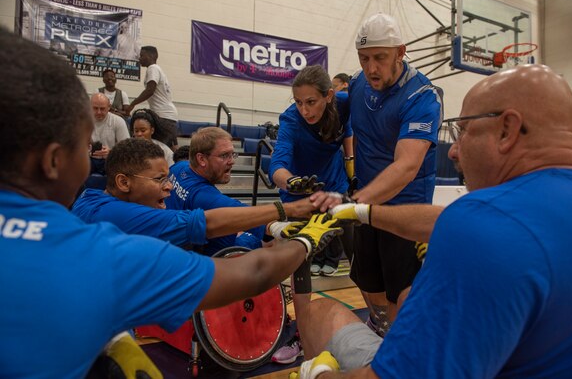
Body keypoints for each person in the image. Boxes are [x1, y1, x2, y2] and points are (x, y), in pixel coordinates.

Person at [0, 27, 343, 378]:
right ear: (54, 160)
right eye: (84, 146)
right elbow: (249, 267)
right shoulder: (104, 254)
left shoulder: (90, 200)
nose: (167, 187)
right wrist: (301, 234)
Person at [292, 64, 572, 378]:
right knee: (407, 297)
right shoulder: (541, 208)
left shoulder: (481, 226)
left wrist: (320, 373)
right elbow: (450, 220)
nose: (454, 151)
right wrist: (361, 211)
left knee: (322, 312)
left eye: (463, 130)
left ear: (507, 130)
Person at [315, 13, 442, 337]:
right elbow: (327, 108)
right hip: (369, 203)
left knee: (400, 290)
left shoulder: (421, 96)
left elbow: (406, 166)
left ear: (400, 52)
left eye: (380, 58)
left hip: (405, 209)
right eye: (364, 58)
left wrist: (352, 201)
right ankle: (383, 329)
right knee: (367, 282)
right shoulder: (357, 84)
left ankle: (397, 347)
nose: (372, 68)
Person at [72, 138, 316, 249]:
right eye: (159, 180)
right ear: (124, 182)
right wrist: (287, 210)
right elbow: (207, 222)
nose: (168, 186)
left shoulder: (89, 198)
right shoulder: (120, 215)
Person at [268, 65, 354, 364]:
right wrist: (291, 180)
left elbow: (352, 131)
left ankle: (378, 324)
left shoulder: (345, 102)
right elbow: (276, 164)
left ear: (329, 96)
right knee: (300, 272)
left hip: (335, 192)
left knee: (360, 263)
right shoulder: (291, 120)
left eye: (311, 101)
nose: (304, 109)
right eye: (299, 101)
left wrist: (352, 167)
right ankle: (302, 337)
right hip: (299, 198)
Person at [165, 127, 267, 255]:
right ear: (201, 159)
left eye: (232, 154)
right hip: (203, 258)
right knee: (262, 242)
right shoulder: (202, 195)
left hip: (175, 246)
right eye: (225, 155)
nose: (232, 161)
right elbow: (244, 214)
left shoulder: (179, 167)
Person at [127, 45, 179, 150]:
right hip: (167, 116)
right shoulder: (158, 69)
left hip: (163, 116)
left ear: (151, 56)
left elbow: (150, 90)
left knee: (160, 150)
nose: (139, 58)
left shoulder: (153, 68)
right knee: (170, 149)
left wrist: (132, 104)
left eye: (142, 55)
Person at [89, 92, 130, 160]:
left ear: (109, 107)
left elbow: (127, 149)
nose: (99, 112)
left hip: (111, 161)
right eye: (95, 108)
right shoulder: (81, 121)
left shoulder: (118, 121)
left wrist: (111, 153)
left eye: (102, 109)